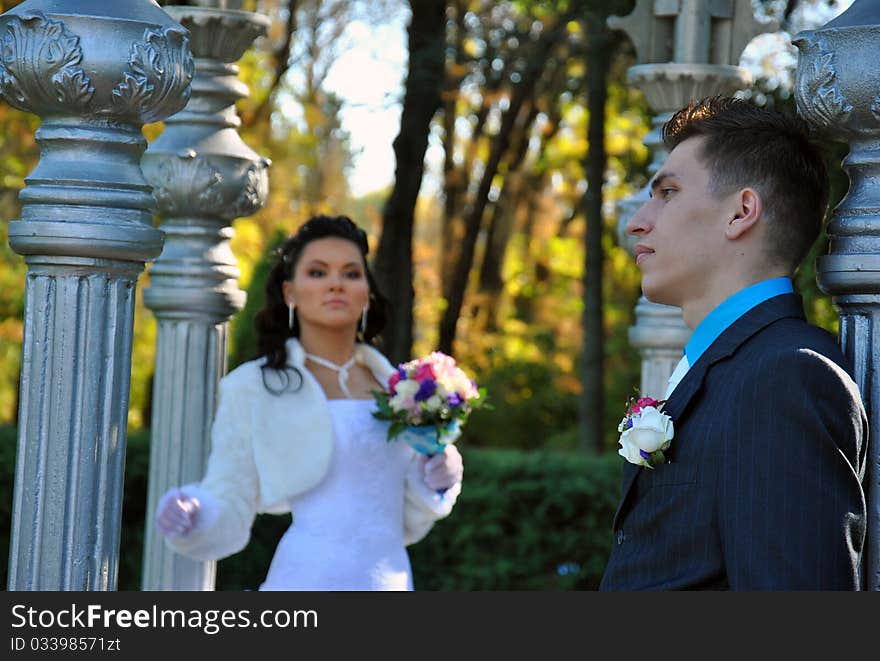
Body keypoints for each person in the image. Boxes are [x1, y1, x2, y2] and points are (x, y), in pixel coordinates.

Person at [600, 96, 868, 590]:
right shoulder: (734, 369)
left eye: (668, 193)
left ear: (741, 212)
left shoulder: (785, 377)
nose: (638, 221)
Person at [155, 214, 464, 590]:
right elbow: (229, 494)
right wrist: (195, 514)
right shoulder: (253, 387)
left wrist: (438, 476)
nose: (336, 284)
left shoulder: (401, 388)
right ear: (290, 293)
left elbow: (410, 518)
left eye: (351, 274)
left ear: (366, 293)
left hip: (391, 579)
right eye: (318, 273)